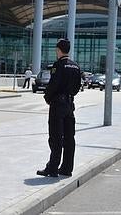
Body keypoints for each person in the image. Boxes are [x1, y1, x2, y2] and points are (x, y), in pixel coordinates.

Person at [37, 38, 82, 177]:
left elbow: (53, 85)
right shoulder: (75, 66)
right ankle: (67, 168)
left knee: (56, 137)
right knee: (69, 138)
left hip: (58, 105)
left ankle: (53, 168)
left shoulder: (58, 65)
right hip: (69, 104)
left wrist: (47, 98)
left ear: (58, 50)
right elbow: (77, 87)